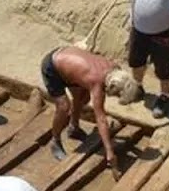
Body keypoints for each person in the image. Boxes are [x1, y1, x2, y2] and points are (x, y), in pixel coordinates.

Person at [38, 44, 137, 172]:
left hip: (68, 60)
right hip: (53, 66)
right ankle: (55, 141)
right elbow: (101, 118)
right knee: (64, 107)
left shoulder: (115, 69)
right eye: (117, 94)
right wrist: (109, 152)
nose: (115, 97)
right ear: (113, 86)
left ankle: (73, 128)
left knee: (83, 98)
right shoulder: (97, 82)